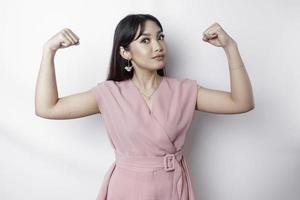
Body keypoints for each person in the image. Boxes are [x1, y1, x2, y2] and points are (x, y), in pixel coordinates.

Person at [35, 14, 254, 200]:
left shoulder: (185, 91)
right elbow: (47, 108)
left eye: (160, 37)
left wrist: (230, 47)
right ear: (125, 53)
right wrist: (49, 51)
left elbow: (241, 102)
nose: (158, 46)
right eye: (145, 40)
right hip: (126, 190)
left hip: (170, 188)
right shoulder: (109, 94)